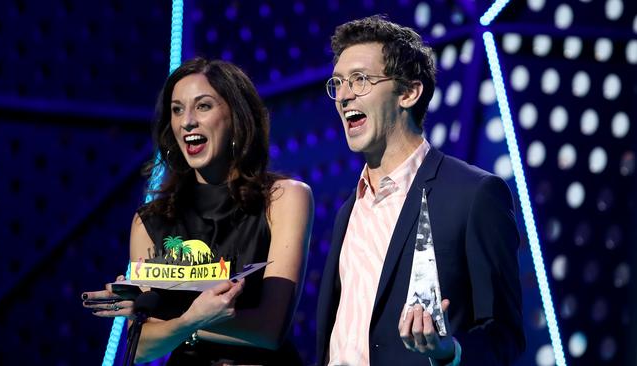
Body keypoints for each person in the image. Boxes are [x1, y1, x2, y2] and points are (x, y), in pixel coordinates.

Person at [316, 15, 525, 365]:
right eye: (337, 82)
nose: (344, 95)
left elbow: (504, 337)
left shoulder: (474, 195)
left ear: (410, 93)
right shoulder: (349, 210)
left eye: (360, 80)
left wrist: (450, 352)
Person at [82, 57, 313, 364]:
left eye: (203, 106)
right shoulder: (150, 221)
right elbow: (140, 348)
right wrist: (190, 319)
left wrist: (173, 319)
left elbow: (270, 330)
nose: (187, 120)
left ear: (236, 118)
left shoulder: (284, 199)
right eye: (177, 109)